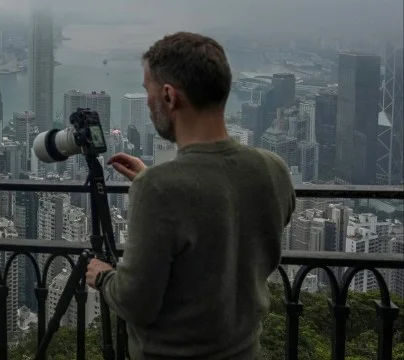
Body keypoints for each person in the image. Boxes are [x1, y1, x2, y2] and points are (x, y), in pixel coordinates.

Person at [85, 32, 294, 360]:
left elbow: (136, 303)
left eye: (148, 92)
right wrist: (151, 181)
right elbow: (226, 218)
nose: (148, 103)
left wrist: (103, 276)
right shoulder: (274, 170)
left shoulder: (159, 190)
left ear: (169, 96)